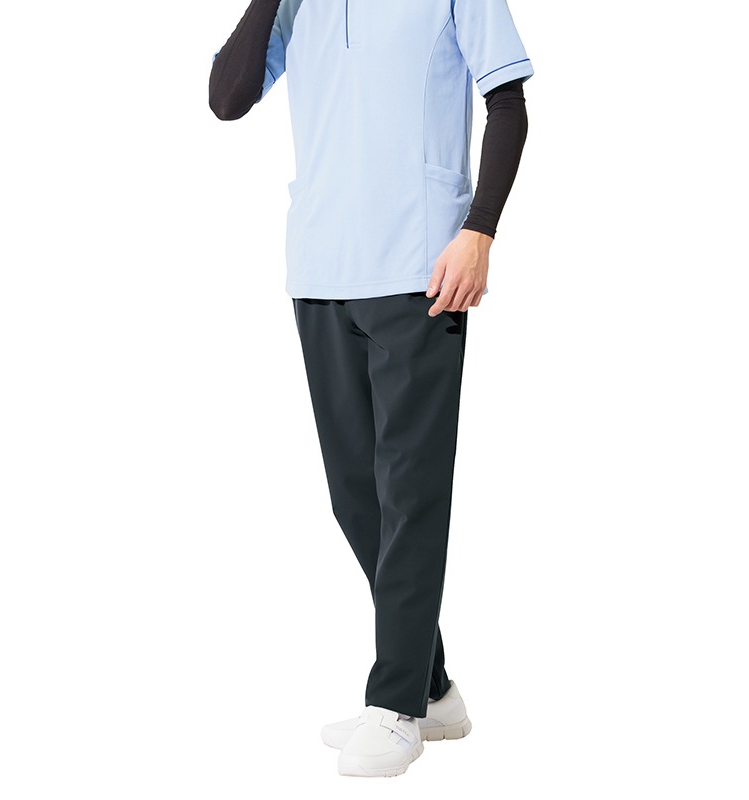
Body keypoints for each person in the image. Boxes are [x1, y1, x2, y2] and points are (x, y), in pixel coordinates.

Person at [208, 0, 533, 778]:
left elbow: (508, 104)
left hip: (422, 264)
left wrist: (479, 231)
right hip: (321, 265)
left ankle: (396, 705)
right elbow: (226, 99)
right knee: (356, 497)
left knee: (410, 493)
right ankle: (432, 687)